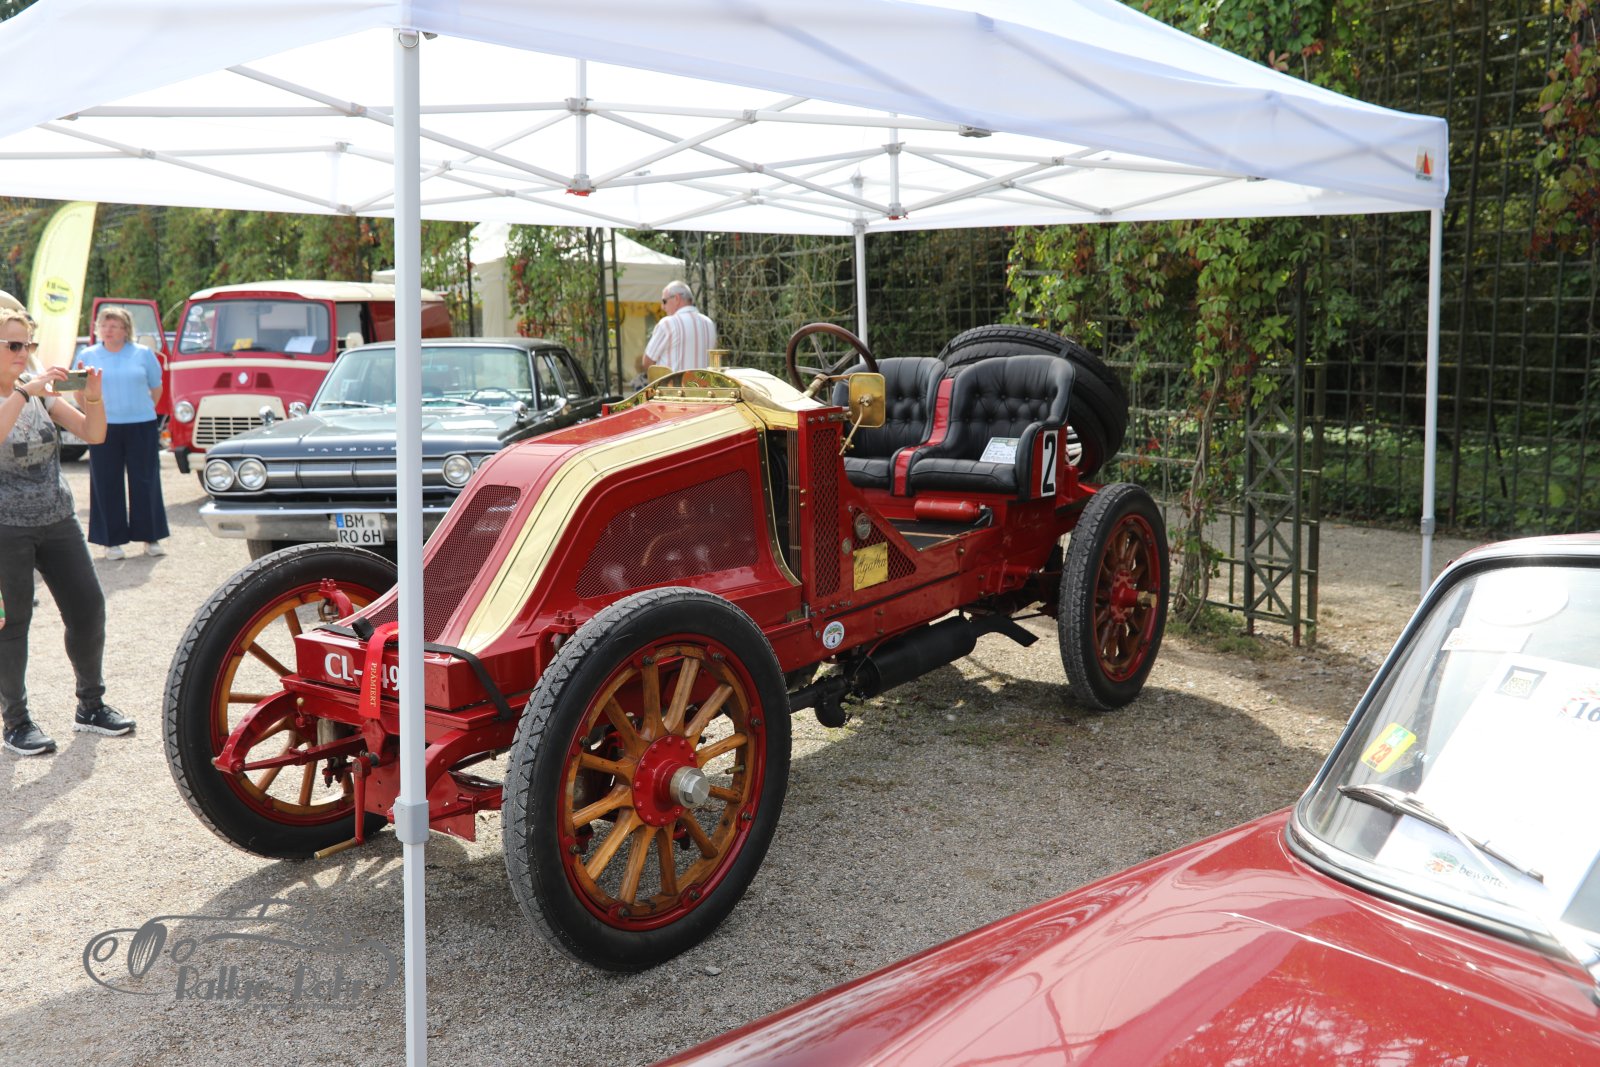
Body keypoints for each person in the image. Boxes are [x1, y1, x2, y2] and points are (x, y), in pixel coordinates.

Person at [0, 307, 136, 756]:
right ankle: (16, 722)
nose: (23, 353)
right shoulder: (29, 392)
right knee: (12, 623)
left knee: (88, 608)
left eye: (29, 345)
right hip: (6, 528)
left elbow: (94, 434)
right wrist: (25, 391)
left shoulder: (39, 394)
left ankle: (91, 706)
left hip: (57, 518)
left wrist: (92, 398)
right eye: (14, 345)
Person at [73, 305, 169, 559]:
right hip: (104, 427)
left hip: (141, 424)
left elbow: (156, 388)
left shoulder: (143, 354)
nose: (108, 330)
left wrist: (141, 408)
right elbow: (78, 391)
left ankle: (151, 537)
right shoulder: (88, 354)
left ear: (126, 329)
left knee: (145, 480)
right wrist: (93, 414)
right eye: (104, 325)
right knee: (106, 481)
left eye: (114, 325)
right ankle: (111, 541)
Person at [641, 280, 717, 374]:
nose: (662, 307)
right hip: (702, 383)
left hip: (674, 383)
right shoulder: (709, 323)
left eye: (664, 301)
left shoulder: (667, 324)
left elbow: (647, 363)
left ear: (677, 298)